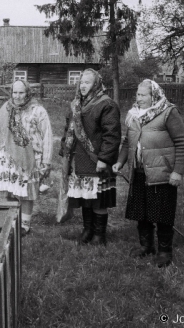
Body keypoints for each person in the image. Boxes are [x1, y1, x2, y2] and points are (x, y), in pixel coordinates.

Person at [113, 80, 184, 267]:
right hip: (139, 172)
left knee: (162, 213)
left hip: (161, 173)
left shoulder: (168, 112)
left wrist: (177, 172)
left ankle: (164, 252)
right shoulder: (133, 115)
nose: (139, 98)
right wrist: (120, 162)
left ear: (153, 95)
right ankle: (146, 246)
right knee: (142, 212)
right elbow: (126, 142)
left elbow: (181, 142)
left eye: (143, 95)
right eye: (137, 94)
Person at [61, 69, 121, 246]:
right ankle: (87, 230)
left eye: (87, 82)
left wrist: (104, 158)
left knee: (98, 199)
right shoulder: (76, 104)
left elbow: (112, 135)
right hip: (79, 159)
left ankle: (99, 235)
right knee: (85, 197)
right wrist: (64, 154)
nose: (83, 86)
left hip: (97, 160)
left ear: (96, 84)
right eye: (81, 82)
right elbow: (68, 131)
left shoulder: (107, 104)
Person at [0, 80, 53, 236]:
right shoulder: (5, 109)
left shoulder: (38, 111)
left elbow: (47, 136)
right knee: (7, 190)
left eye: (21, 93)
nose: (17, 96)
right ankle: (8, 223)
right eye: (15, 92)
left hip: (29, 158)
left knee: (26, 192)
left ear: (28, 93)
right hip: (8, 158)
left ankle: (24, 225)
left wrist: (46, 161)